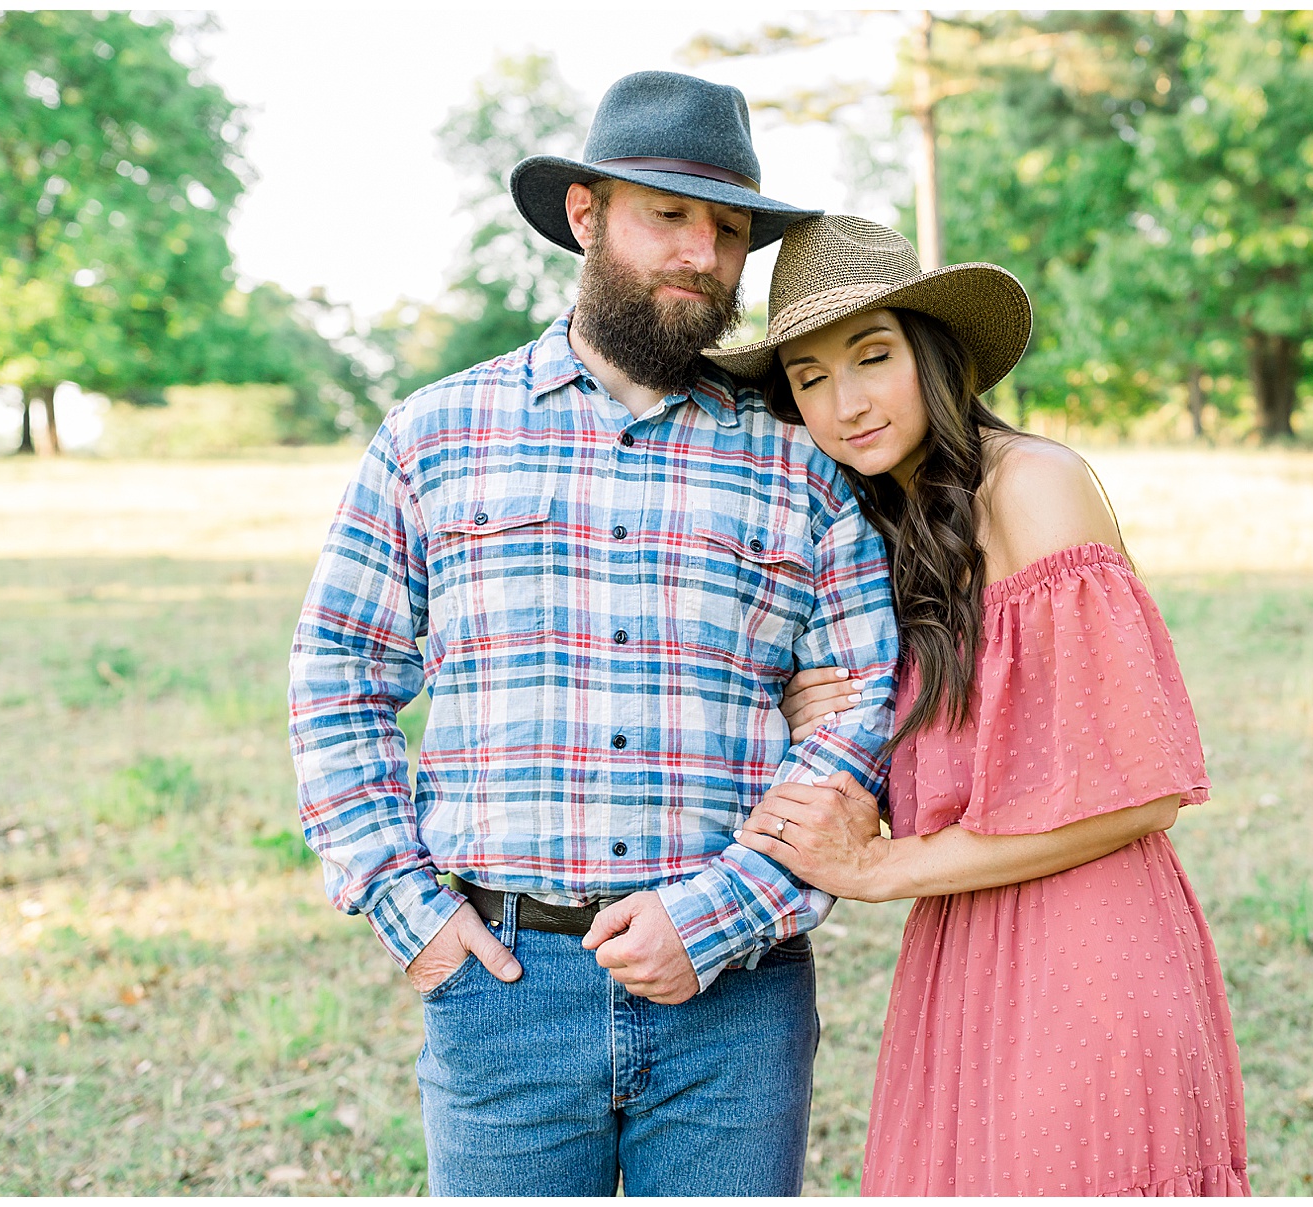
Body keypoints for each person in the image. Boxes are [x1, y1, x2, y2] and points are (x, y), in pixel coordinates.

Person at [287, 75, 900, 1196]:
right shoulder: (434, 436)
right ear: (585, 216)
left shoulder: (799, 464)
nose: (701, 253)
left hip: (737, 1006)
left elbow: (863, 703)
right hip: (500, 987)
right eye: (668, 214)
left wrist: (717, 915)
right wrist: (407, 907)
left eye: (726, 230)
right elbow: (338, 676)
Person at [706, 214, 1249, 1196]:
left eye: (872, 356)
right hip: (963, 956)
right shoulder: (891, 534)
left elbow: (1138, 794)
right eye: (811, 376)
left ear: (937, 352)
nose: (846, 401)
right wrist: (815, 701)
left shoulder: (1033, 487)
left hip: (1087, 947)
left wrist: (877, 867)